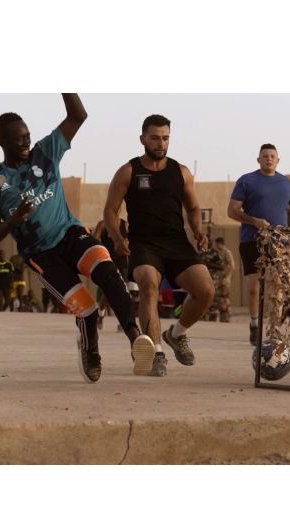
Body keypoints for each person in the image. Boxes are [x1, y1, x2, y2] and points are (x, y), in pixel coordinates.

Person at [0, 93, 154, 383]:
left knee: (108, 271)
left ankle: (135, 338)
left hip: (70, 234)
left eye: (27, 136)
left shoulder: (45, 152)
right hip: (40, 254)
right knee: (86, 308)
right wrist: (14, 218)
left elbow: (78, 116)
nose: (26, 142)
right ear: (2, 142)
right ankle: (90, 351)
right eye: (18, 138)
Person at [104, 114, 214, 377]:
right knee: (148, 285)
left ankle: (177, 334)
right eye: (155, 138)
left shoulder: (181, 172)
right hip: (144, 244)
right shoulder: (129, 171)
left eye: (165, 138)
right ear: (143, 138)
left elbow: (194, 206)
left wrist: (198, 230)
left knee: (206, 291)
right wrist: (118, 239)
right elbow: (110, 209)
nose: (160, 143)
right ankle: (156, 352)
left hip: (177, 242)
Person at [227, 143, 290, 344]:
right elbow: (232, 211)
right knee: (255, 288)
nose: (269, 159)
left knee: (277, 285)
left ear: (278, 160)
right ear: (258, 159)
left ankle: (274, 329)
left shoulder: (286, 183)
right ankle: (254, 324)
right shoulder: (247, 180)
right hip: (251, 241)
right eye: (265, 156)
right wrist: (255, 221)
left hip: (279, 242)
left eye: (272, 156)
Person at [93, 218, 130, 330]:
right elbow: (94, 239)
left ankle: (124, 322)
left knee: (123, 292)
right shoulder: (103, 224)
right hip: (108, 262)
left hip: (123, 263)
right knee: (107, 295)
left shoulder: (125, 225)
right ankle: (100, 314)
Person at [213, 237, 235, 322]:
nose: (215, 245)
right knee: (220, 299)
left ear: (220, 243)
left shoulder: (226, 252)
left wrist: (226, 275)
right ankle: (223, 317)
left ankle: (226, 317)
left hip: (224, 280)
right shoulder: (218, 253)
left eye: (216, 243)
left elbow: (232, 265)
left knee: (224, 298)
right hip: (219, 279)